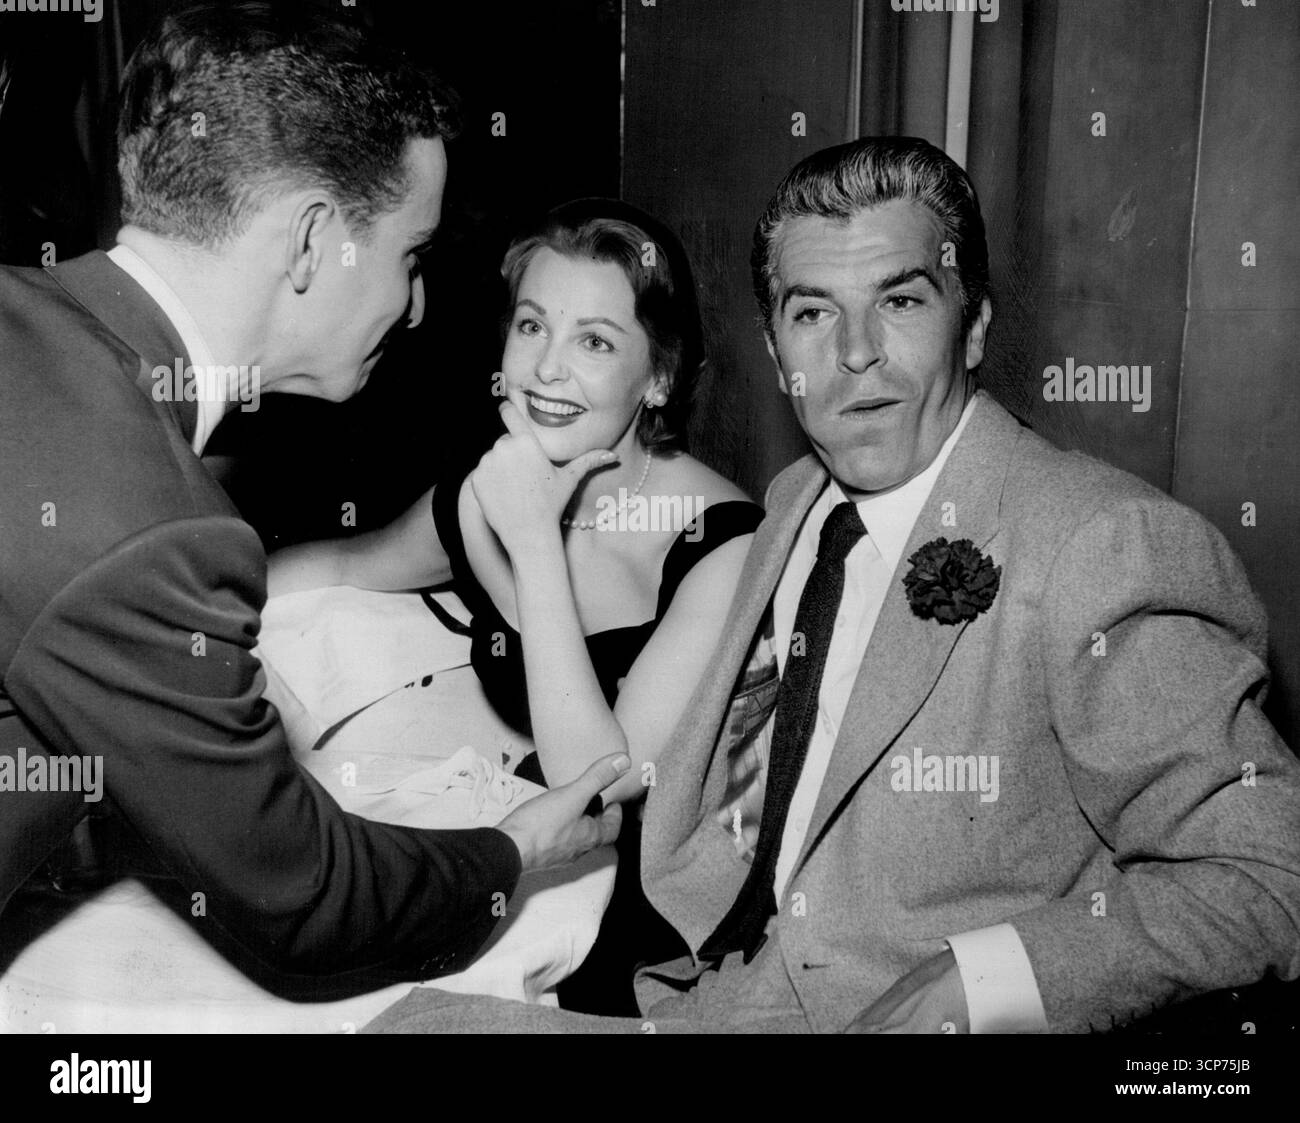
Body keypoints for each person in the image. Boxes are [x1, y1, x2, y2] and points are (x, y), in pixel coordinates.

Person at [363, 136, 1300, 1034]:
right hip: (700, 981)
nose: (855, 352)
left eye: (899, 301)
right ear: (777, 355)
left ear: (973, 326)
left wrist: (980, 984)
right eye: (813, 312)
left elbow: (1267, 875)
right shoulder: (797, 504)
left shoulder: (1101, 542)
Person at [0, 2, 626, 996]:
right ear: (309, 244)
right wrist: (514, 853)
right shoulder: (156, 531)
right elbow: (304, 900)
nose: (415, 306)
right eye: (410, 255)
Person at [269, 199, 762, 1012]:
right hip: (526, 857)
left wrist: (534, 540)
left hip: (649, 926)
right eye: (532, 326)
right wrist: (183, 601)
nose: (547, 368)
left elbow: (595, 778)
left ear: (661, 377)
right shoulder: (490, 488)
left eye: (595, 341)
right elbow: (346, 563)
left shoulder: (724, 546)